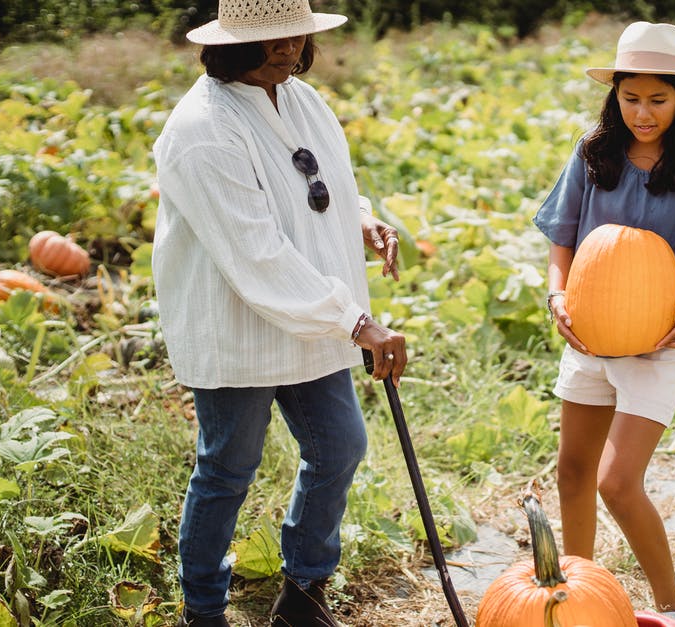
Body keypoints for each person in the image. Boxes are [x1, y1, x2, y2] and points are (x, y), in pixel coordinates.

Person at [151, 1, 408, 625]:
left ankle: (304, 590)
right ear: (227, 44)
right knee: (228, 467)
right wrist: (355, 321)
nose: (287, 48)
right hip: (239, 324)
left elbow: (323, 184)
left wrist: (361, 218)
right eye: (270, 39)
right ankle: (204, 608)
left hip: (314, 315)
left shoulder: (298, 98)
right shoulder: (202, 130)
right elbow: (255, 250)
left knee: (340, 446)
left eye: (295, 35)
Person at [533, 21, 675, 627]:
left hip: (660, 340)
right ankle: (579, 601)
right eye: (631, 98)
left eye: (658, 99)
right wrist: (557, 296)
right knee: (573, 472)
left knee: (616, 482)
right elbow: (562, 236)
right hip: (589, 333)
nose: (643, 112)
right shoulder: (593, 150)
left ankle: (674, 611)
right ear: (616, 95)